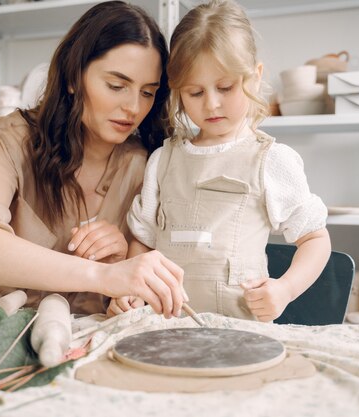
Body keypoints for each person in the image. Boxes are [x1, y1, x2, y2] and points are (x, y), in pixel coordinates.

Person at [0, 1, 186, 319]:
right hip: (9, 333)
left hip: (97, 343)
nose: (133, 107)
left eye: (147, 92)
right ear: (73, 78)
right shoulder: (16, 138)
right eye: (116, 86)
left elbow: (136, 296)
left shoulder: (150, 162)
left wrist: (122, 275)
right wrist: (101, 276)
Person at [108, 0, 331, 322]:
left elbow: (315, 238)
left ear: (255, 77)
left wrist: (285, 290)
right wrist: (130, 289)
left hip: (237, 327)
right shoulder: (163, 159)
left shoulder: (270, 160)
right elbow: (143, 241)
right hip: (164, 326)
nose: (211, 104)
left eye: (225, 87)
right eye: (195, 93)